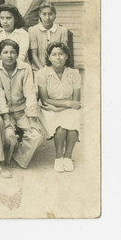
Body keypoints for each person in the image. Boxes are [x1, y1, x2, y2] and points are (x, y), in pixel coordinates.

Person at [0, 39, 44, 169]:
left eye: (13, 52)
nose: (9, 56)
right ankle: (8, 157)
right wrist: (7, 119)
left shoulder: (25, 67)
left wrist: (32, 120)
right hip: (4, 112)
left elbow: (30, 93)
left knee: (37, 135)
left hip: (22, 111)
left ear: (17, 54)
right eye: (5, 52)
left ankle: (18, 158)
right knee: (9, 137)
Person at [36, 43, 81, 172]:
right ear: (49, 57)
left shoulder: (74, 73)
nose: (58, 58)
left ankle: (68, 157)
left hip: (61, 108)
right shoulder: (42, 73)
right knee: (61, 128)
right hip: (48, 109)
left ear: (67, 56)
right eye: (54, 54)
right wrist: (67, 105)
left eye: (61, 54)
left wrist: (62, 107)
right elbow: (45, 99)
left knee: (72, 121)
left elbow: (76, 101)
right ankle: (58, 157)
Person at [29, 2, 68, 71]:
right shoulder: (33, 30)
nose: (47, 18)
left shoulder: (62, 31)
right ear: (39, 15)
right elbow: (34, 55)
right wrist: (43, 70)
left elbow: (63, 54)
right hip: (38, 69)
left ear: (55, 15)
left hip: (57, 69)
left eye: (50, 14)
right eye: (44, 14)